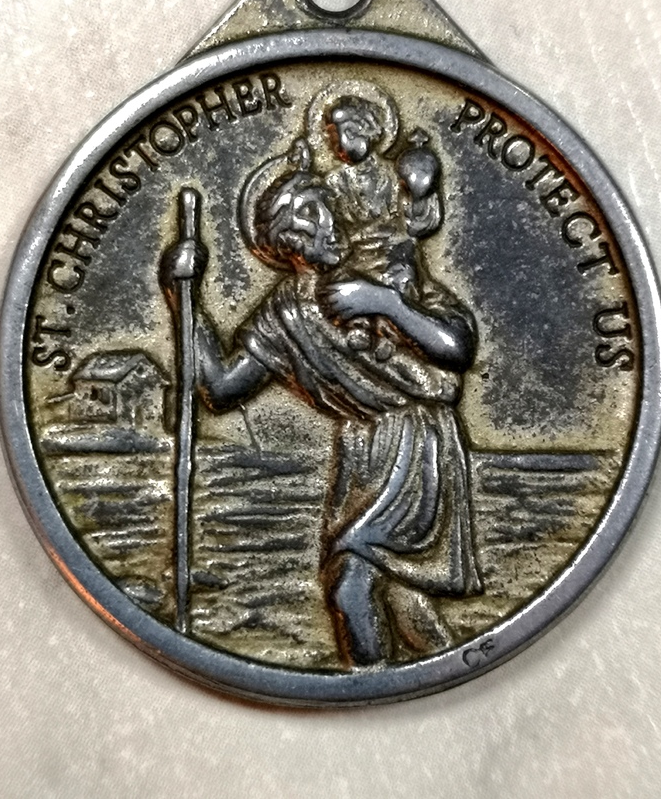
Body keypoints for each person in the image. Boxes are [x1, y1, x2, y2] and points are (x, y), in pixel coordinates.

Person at [161, 165, 482, 666]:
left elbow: (457, 347)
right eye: (298, 225)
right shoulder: (284, 312)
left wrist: (385, 303)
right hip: (361, 456)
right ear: (283, 245)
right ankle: (440, 675)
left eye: (319, 209)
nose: (319, 227)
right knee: (404, 601)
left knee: (349, 585)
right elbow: (220, 389)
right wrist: (182, 296)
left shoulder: (383, 264)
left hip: (415, 443)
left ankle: (370, 684)